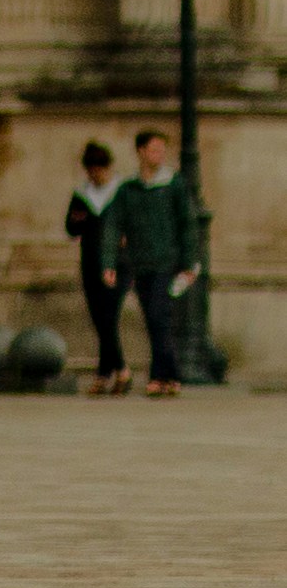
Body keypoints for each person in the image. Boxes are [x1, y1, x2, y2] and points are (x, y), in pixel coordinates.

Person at [115, 126, 198, 398]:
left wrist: (188, 261)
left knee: (158, 316)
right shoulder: (129, 189)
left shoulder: (173, 184)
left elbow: (187, 224)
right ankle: (170, 375)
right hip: (141, 263)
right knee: (153, 321)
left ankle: (160, 374)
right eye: (154, 150)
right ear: (141, 152)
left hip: (166, 262)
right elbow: (114, 225)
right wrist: (109, 261)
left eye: (162, 150)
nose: (159, 155)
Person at [65, 139, 129, 397]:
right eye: (91, 170)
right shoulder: (81, 195)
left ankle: (120, 371)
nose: (96, 175)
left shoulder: (122, 192)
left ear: (108, 168)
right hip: (90, 260)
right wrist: (78, 220)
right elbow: (71, 228)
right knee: (99, 317)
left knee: (108, 317)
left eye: (99, 169)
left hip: (118, 262)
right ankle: (105, 374)